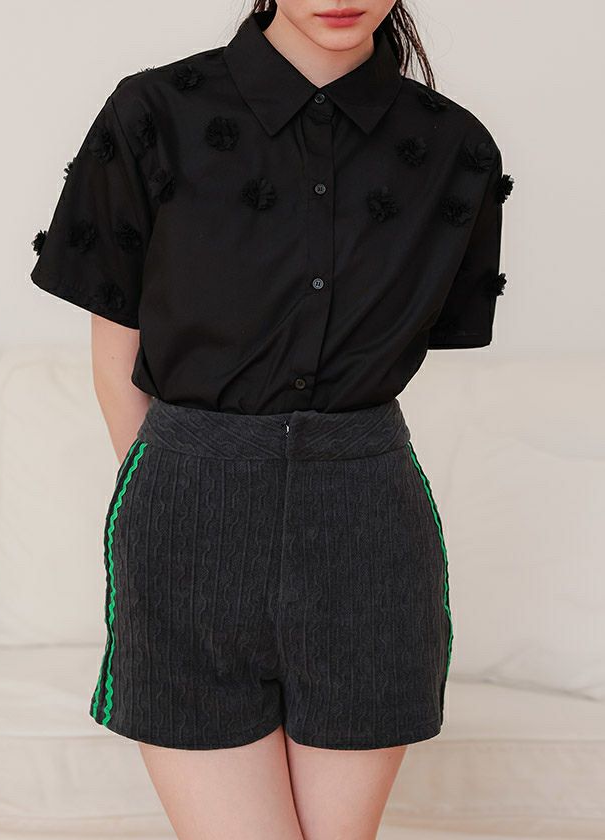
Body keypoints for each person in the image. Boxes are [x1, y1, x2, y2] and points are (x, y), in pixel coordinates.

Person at [29, 1, 514, 838]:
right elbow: (115, 359)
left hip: (368, 534)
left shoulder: (454, 149)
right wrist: (172, 496)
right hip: (187, 518)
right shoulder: (153, 113)